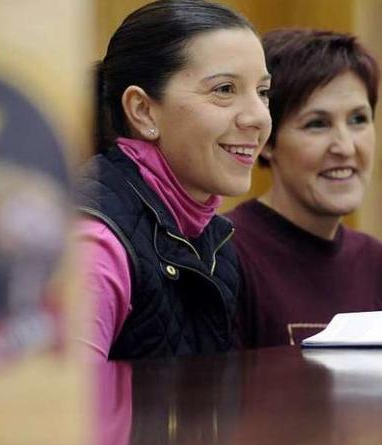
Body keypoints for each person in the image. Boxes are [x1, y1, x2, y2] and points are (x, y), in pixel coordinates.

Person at [75, 0, 272, 360]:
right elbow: (58, 411)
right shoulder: (94, 244)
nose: (258, 117)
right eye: (225, 89)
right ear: (143, 110)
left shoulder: (215, 239)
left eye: (263, 92)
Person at [227, 29, 382, 348]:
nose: (345, 147)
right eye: (317, 124)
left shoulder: (377, 264)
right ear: (266, 141)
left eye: (358, 120)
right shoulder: (227, 254)